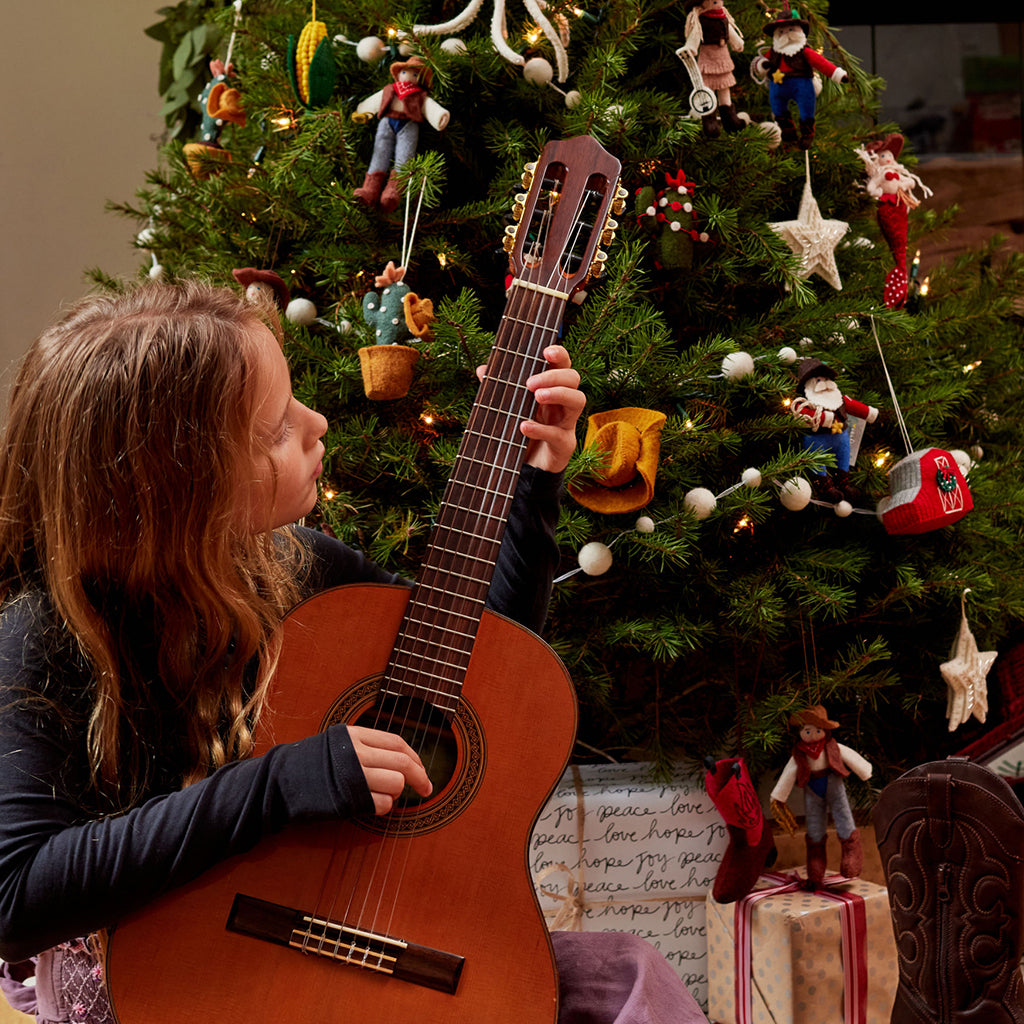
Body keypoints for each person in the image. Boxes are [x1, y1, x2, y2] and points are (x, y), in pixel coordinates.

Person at [0, 282, 706, 1024]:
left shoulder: (295, 563)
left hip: (355, 932)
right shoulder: (45, 636)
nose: (318, 423)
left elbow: (477, 671)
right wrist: (280, 784)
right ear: (174, 484)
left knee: (625, 976)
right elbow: (15, 899)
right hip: (174, 976)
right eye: (276, 428)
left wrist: (532, 484)